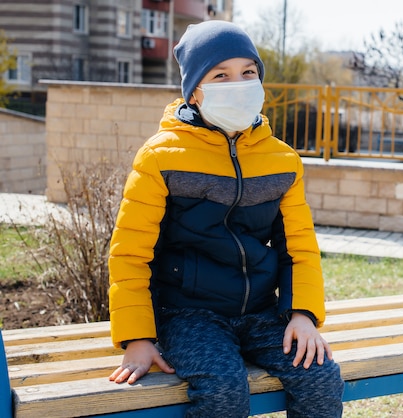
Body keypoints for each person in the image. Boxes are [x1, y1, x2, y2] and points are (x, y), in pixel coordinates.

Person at [107, 20, 344, 417]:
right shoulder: (160, 158)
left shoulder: (282, 161)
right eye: (221, 75)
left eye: (248, 72)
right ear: (195, 91)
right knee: (223, 389)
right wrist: (137, 336)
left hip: (262, 311)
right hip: (187, 314)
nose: (238, 83)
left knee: (320, 375)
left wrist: (301, 314)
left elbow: (299, 246)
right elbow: (130, 253)